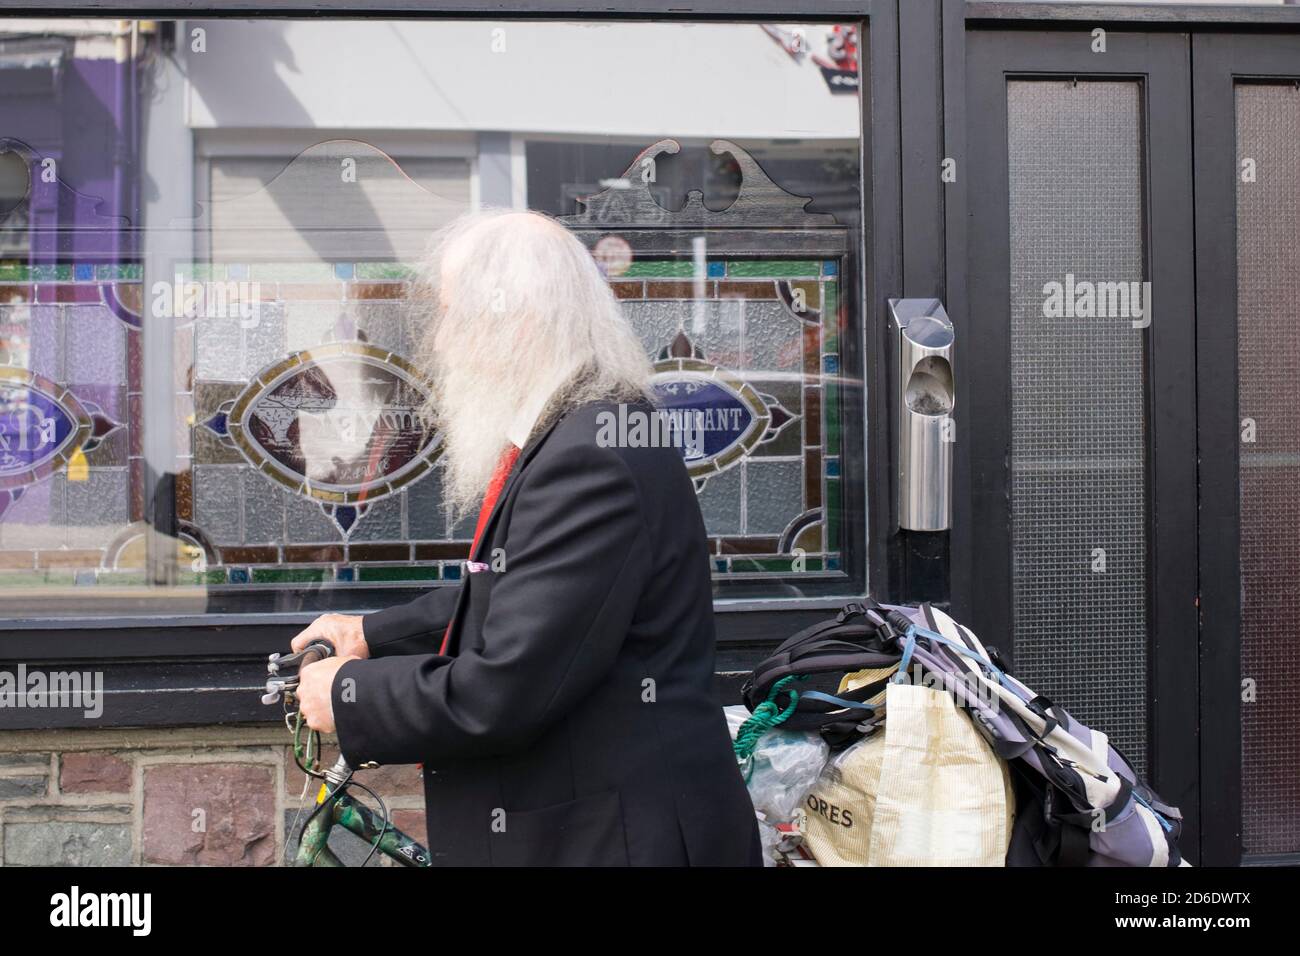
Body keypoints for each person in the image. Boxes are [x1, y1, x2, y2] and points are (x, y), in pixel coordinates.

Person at [292, 209, 762, 866]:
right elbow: (521, 596)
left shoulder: (588, 459)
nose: (441, 340)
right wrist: (372, 634)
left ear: (515, 320)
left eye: (454, 315)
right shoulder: (583, 428)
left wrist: (349, 696)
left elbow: (503, 690)